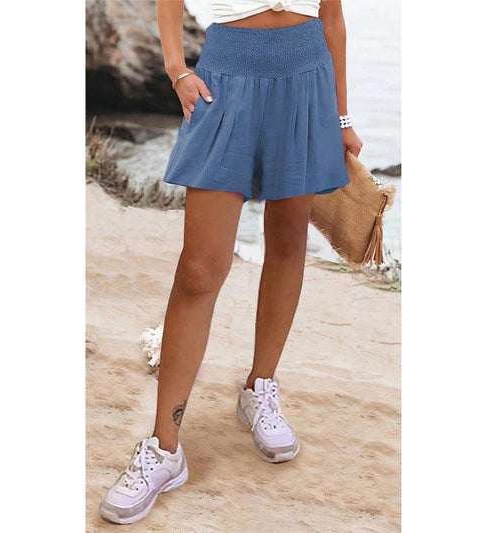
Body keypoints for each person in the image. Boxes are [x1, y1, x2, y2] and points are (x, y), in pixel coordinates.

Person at [100, 0, 362, 524]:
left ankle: (260, 387)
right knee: (199, 271)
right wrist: (177, 69)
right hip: (226, 75)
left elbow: (332, 16)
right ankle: (164, 448)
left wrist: (342, 118)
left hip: (307, 73)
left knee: (287, 244)